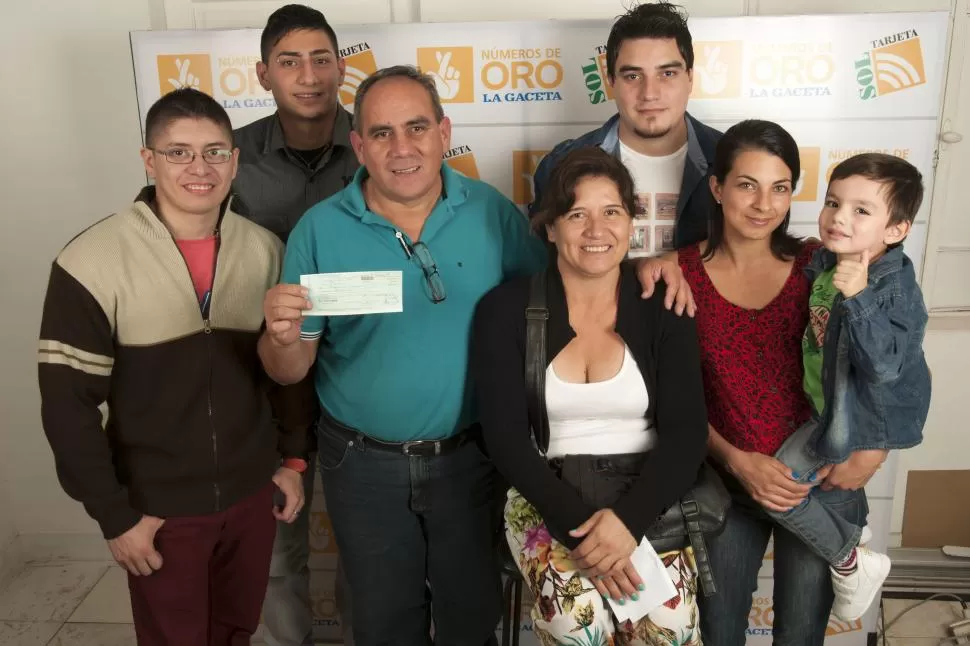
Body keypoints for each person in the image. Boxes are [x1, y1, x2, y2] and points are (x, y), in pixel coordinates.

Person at [257, 64, 547, 646]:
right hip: (362, 466)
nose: (402, 147)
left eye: (416, 127)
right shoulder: (319, 230)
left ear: (444, 132)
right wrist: (282, 338)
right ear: (358, 145)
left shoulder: (493, 215)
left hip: (471, 459)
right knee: (384, 624)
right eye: (382, 133)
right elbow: (291, 367)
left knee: (471, 620)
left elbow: (548, 319)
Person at [37, 88, 305, 645]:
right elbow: (67, 408)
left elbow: (286, 374)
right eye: (178, 152)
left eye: (214, 151)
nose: (199, 168)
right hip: (155, 509)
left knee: (238, 631)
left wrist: (293, 458)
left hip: (251, 495)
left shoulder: (266, 250)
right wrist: (115, 515)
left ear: (234, 161)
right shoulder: (91, 260)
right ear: (148, 160)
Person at [472, 146, 708, 644]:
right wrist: (584, 530)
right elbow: (506, 439)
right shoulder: (505, 309)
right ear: (550, 227)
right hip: (546, 495)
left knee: (669, 624)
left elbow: (687, 435)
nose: (596, 231)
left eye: (612, 213)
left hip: (646, 494)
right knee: (577, 623)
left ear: (631, 223)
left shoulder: (663, 303)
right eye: (577, 214)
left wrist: (626, 524)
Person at [663, 120, 870, 645]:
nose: (763, 204)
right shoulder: (677, 274)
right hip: (730, 487)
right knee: (720, 632)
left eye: (780, 187)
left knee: (801, 634)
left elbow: (880, 360)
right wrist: (734, 458)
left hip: (817, 484)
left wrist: (875, 448)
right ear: (716, 187)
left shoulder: (820, 266)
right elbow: (670, 398)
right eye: (747, 184)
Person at [231, 5, 358, 644]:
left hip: (357, 379)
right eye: (288, 61)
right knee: (279, 562)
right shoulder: (230, 160)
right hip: (264, 384)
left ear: (341, 66)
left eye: (320, 59)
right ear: (263, 73)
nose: (307, 76)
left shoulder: (379, 147)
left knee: (363, 559)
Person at [763, 152, 931, 621]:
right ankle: (852, 543)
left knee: (776, 490)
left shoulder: (889, 287)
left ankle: (851, 558)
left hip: (858, 420)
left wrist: (858, 298)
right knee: (780, 487)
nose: (840, 217)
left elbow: (885, 366)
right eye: (833, 202)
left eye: (862, 210)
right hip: (825, 409)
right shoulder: (823, 258)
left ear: (895, 231)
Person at [532, 1, 721, 257]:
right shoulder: (559, 165)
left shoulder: (730, 161)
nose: (650, 94)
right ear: (611, 81)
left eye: (667, 74)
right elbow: (548, 271)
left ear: (689, 77)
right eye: (633, 76)